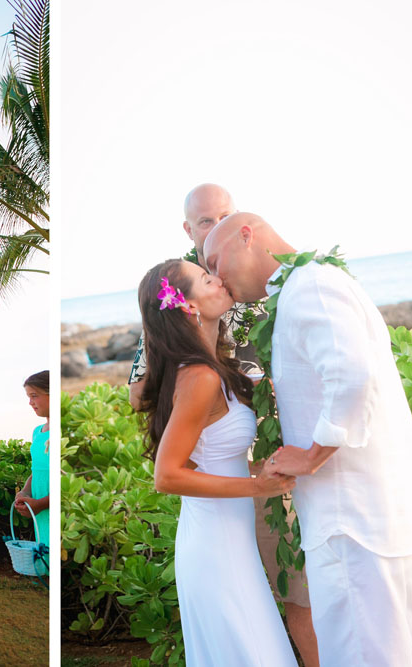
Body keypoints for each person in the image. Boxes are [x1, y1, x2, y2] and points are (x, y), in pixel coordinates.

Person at [203, 212, 412, 666]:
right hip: (376, 515)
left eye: (213, 259)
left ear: (246, 236)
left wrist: (311, 456)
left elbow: (352, 375)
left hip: (355, 522)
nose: (213, 275)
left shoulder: (310, 286)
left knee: (362, 654)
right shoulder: (310, 285)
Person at [128, 183, 318, 665]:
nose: (218, 281)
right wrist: (259, 489)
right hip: (220, 537)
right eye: (206, 279)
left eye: (226, 216)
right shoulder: (197, 373)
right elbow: (167, 474)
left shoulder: (217, 352)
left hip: (226, 530)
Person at [14, 371, 50, 547]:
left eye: (34, 396)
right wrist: (24, 493)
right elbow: (37, 471)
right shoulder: (37, 432)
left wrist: (41, 504)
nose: (30, 402)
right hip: (39, 509)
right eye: (29, 397)